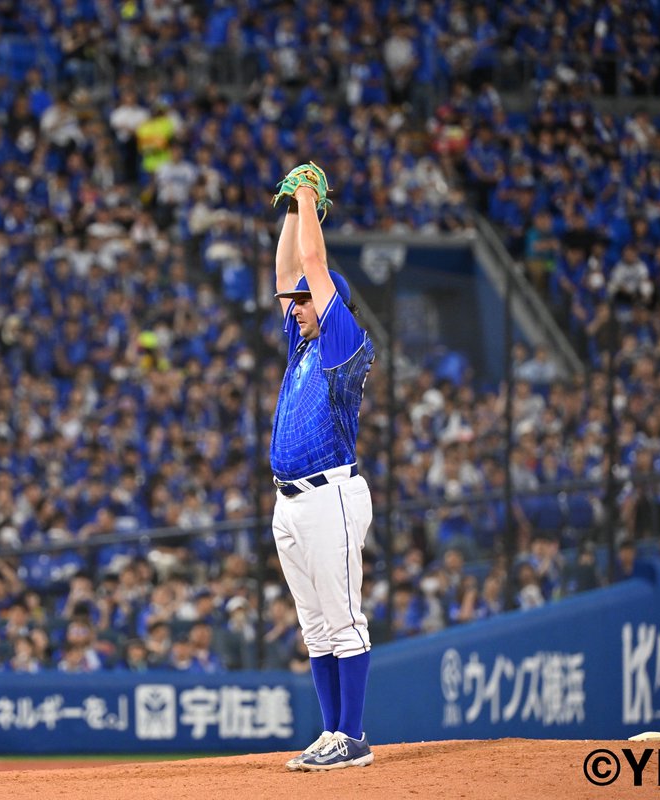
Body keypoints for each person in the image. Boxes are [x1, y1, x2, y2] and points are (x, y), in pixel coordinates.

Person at [268, 163, 376, 771]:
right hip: (291, 500)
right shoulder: (304, 339)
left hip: (331, 491)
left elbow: (309, 265)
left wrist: (308, 199)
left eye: (310, 300)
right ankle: (332, 731)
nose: (298, 305)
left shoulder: (342, 338)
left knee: (343, 618)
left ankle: (353, 735)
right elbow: (288, 274)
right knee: (315, 625)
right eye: (300, 303)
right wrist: (289, 211)